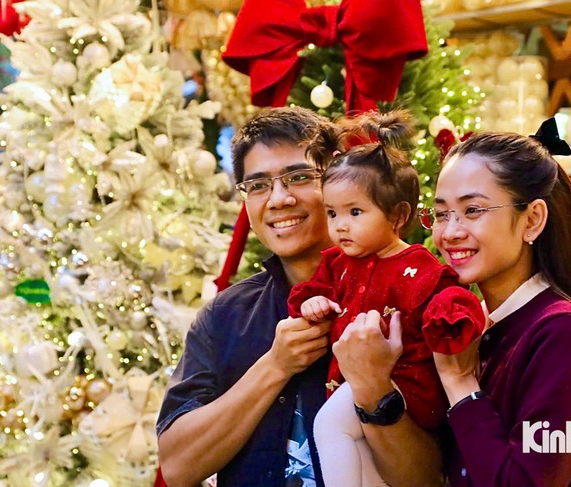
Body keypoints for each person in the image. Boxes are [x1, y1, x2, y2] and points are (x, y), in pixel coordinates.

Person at [156, 106, 444, 487]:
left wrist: (374, 390)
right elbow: (177, 467)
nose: (278, 198)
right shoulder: (226, 315)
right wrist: (275, 366)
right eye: (258, 185)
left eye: (299, 177)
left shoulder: (407, 296)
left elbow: (432, 477)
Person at [424, 119, 571, 486]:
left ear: (532, 220)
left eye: (472, 210)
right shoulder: (477, 326)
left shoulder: (564, 330)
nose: (450, 231)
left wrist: (460, 385)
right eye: (442, 214)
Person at [286, 111, 484, 487]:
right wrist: (312, 304)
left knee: (328, 426)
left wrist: (449, 318)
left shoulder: (417, 266)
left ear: (397, 216)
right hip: (354, 382)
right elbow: (312, 292)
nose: (340, 225)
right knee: (365, 462)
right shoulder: (336, 263)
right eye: (332, 213)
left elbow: (451, 299)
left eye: (355, 212)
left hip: (404, 385)